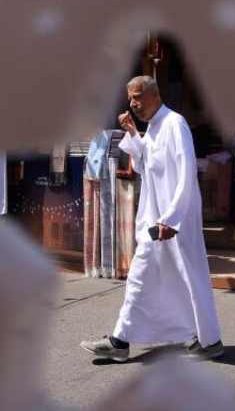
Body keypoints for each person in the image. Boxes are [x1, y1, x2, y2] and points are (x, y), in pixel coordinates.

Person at [81, 76, 224, 362]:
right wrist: (134, 134)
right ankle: (120, 341)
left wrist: (172, 218)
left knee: (189, 275)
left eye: (137, 98)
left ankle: (210, 341)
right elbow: (148, 165)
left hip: (174, 220)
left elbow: (185, 174)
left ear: (154, 95)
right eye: (130, 99)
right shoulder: (155, 127)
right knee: (143, 275)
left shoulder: (175, 124)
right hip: (156, 220)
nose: (132, 105)